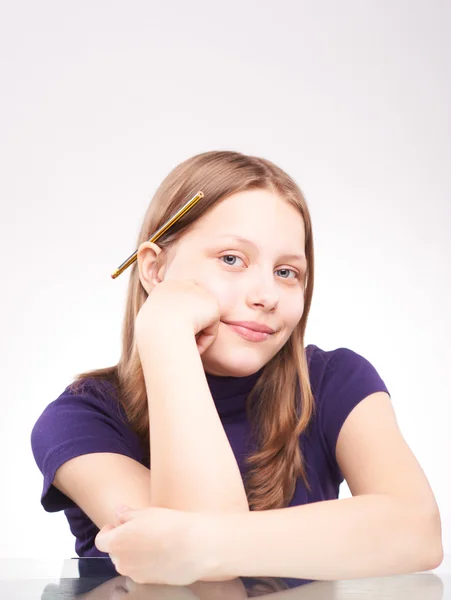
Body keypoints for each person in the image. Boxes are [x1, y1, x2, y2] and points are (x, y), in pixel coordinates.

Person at [30, 150, 442, 586]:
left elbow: (418, 531)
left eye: (287, 272)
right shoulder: (80, 419)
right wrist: (166, 337)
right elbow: (196, 584)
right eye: (231, 259)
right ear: (153, 269)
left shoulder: (336, 380)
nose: (265, 294)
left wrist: (204, 545)